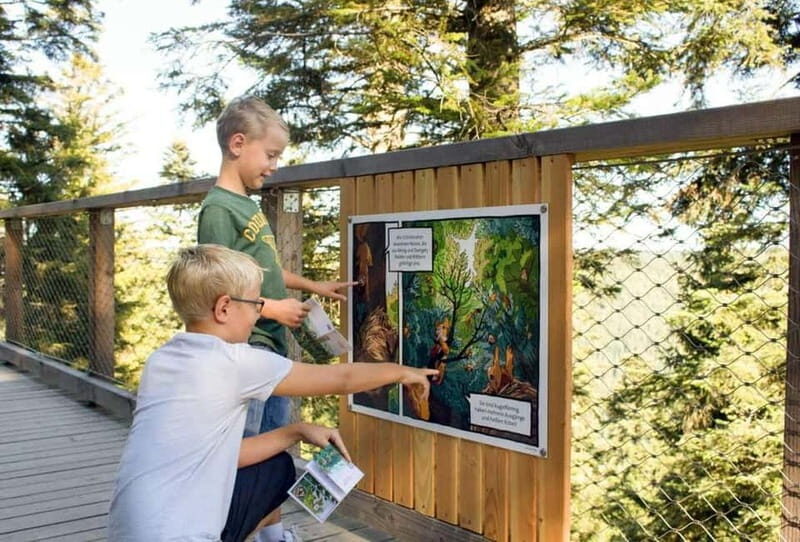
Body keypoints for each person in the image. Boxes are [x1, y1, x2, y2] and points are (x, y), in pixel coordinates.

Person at [108, 244, 436, 542]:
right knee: (275, 471)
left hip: (128, 530)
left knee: (274, 467)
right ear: (224, 308)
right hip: (183, 535)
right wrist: (403, 372)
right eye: (255, 304)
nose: (257, 314)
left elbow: (223, 455)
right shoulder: (237, 362)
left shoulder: (161, 360)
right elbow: (342, 376)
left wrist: (296, 431)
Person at [197, 96, 354, 439]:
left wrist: (312, 286)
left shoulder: (246, 205)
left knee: (272, 443)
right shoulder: (219, 210)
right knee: (246, 446)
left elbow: (261, 269)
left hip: (269, 348)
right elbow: (216, 291)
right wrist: (274, 308)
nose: (274, 166)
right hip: (246, 347)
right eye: (271, 155)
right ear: (238, 143)